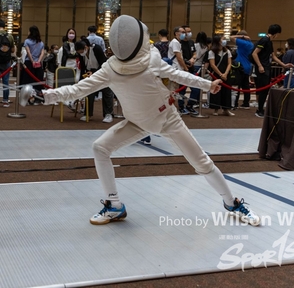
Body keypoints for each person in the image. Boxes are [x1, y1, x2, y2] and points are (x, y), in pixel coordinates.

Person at [39, 15, 260, 226]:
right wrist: (49, 95)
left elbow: (177, 75)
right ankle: (114, 206)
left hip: (167, 119)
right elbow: (78, 89)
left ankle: (232, 203)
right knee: (100, 148)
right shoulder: (110, 69)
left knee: (202, 163)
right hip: (136, 122)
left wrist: (207, 85)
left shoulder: (151, 60)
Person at [251, 24, 293, 118]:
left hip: (266, 67)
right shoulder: (265, 40)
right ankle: (259, 110)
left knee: (265, 89)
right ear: (276, 33)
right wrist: (260, 65)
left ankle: (261, 109)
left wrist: (283, 65)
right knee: (263, 89)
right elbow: (254, 53)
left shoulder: (269, 41)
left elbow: (273, 56)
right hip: (263, 68)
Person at [77, 39, 114, 123]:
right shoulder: (81, 54)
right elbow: (83, 68)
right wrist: (81, 81)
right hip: (90, 73)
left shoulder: (96, 49)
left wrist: (94, 73)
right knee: (89, 91)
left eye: (81, 51)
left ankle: (108, 114)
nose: (81, 53)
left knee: (106, 92)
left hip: (103, 72)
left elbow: (103, 64)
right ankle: (88, 113)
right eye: (79, 52)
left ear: (86, 47)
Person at [208, 35, 234, 116]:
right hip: (216, 74)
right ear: (218, 41)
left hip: (226, 74)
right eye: (223, 39)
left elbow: (229, 63)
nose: (224, 41)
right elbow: (212, 65)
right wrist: (220, 74)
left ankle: (226, 109)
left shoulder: (227, 51)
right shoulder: (212, 52)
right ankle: (215, 109)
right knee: (216, 91)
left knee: (227, 91)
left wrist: (225, 74)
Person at [230, 30, 254, 108]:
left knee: (237, 85)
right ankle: (246, 103)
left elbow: (231, 38)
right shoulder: (250, 44)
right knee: (246, 86)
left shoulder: (243, 43)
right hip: (247, 66)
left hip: (240, 66)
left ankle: (235, 103)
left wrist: (240, 36)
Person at [22, 25, 45, 97]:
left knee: (28, 80)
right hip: (38, 64)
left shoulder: (27, 41)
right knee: (37, 80)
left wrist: (32, 61)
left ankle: (28, 96)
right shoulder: (41, 43)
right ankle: (37, 96)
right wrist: (38, 61)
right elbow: (42, 53)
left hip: (29, 63)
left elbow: (28, 52)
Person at [189, 31, 209, 109]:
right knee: (199, 85)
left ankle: (192, 101)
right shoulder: (206, 47)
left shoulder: (195, 45)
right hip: (201, 67)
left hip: (194, 65)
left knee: (194, 85)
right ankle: (197, 100)